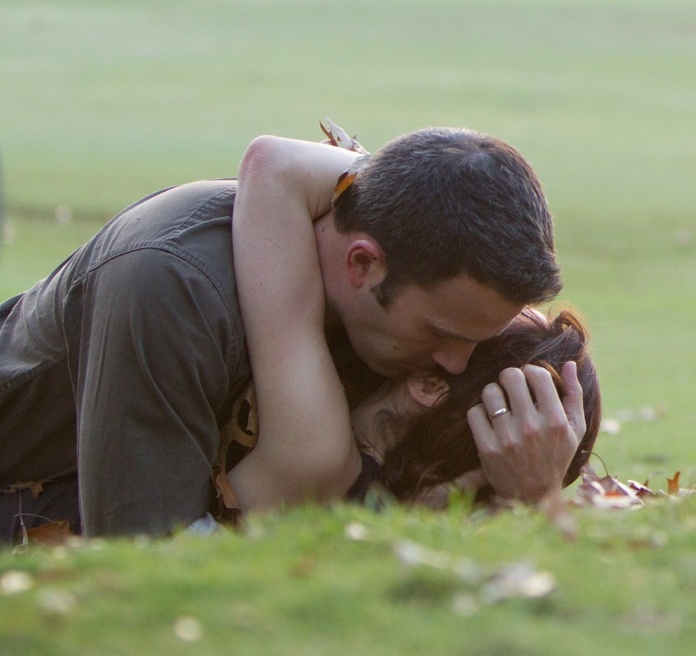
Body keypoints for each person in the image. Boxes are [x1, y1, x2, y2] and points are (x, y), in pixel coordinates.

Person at [0, 127, 565, 539]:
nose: (456, 363)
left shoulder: (377, 254)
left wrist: (533, 499)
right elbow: (147, 565)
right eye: (442, 332)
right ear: (363, 265)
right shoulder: (172, 285)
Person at [222, 133, 597, 516]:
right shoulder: (319, 456)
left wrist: (396, 188)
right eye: (445, 334)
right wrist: (534, 502)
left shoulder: (321, 445)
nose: (455, 363)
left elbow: (273, 162)